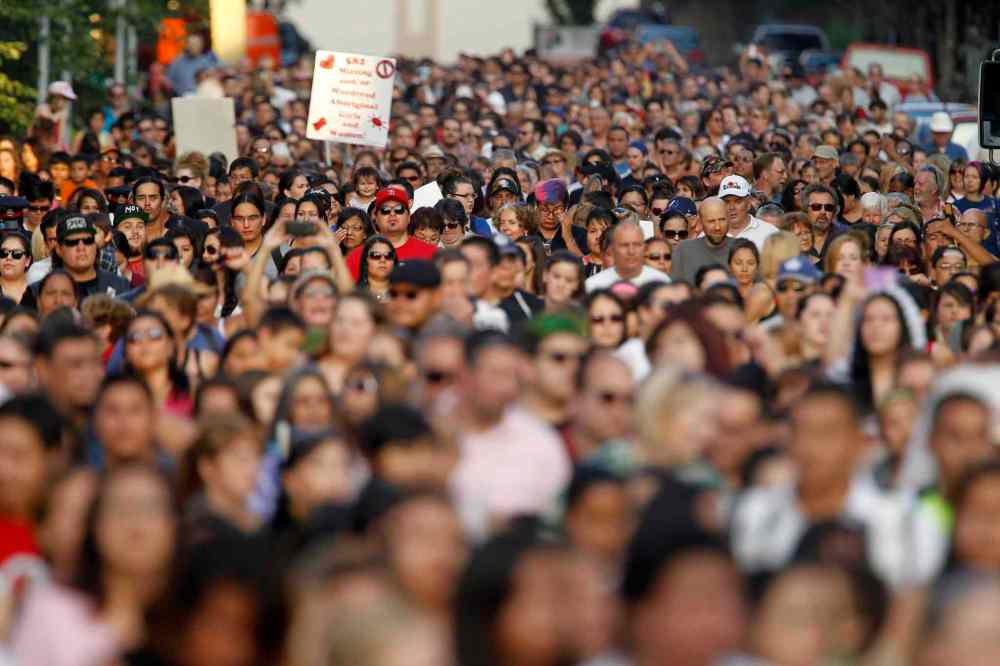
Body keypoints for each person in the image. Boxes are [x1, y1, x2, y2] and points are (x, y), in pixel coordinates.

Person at [345, 185, 437, 280]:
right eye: (385, 210)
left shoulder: (432, 253)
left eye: (399, 209)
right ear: (376, 218)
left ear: (409, 217)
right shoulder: (356, 257)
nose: (392, 214)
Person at [585, 221, 669, 292]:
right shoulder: (593, 286)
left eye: (637, 245)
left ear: (644, 248)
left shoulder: (661, 282)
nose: (631, 251)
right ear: (614, 249)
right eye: (624, 245)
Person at [671, 197, 737, 284]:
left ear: (728, 219)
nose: (717, 227)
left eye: (722, 220)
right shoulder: (684, 250)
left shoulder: (740, 249)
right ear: (701, 222)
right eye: (711, 221)